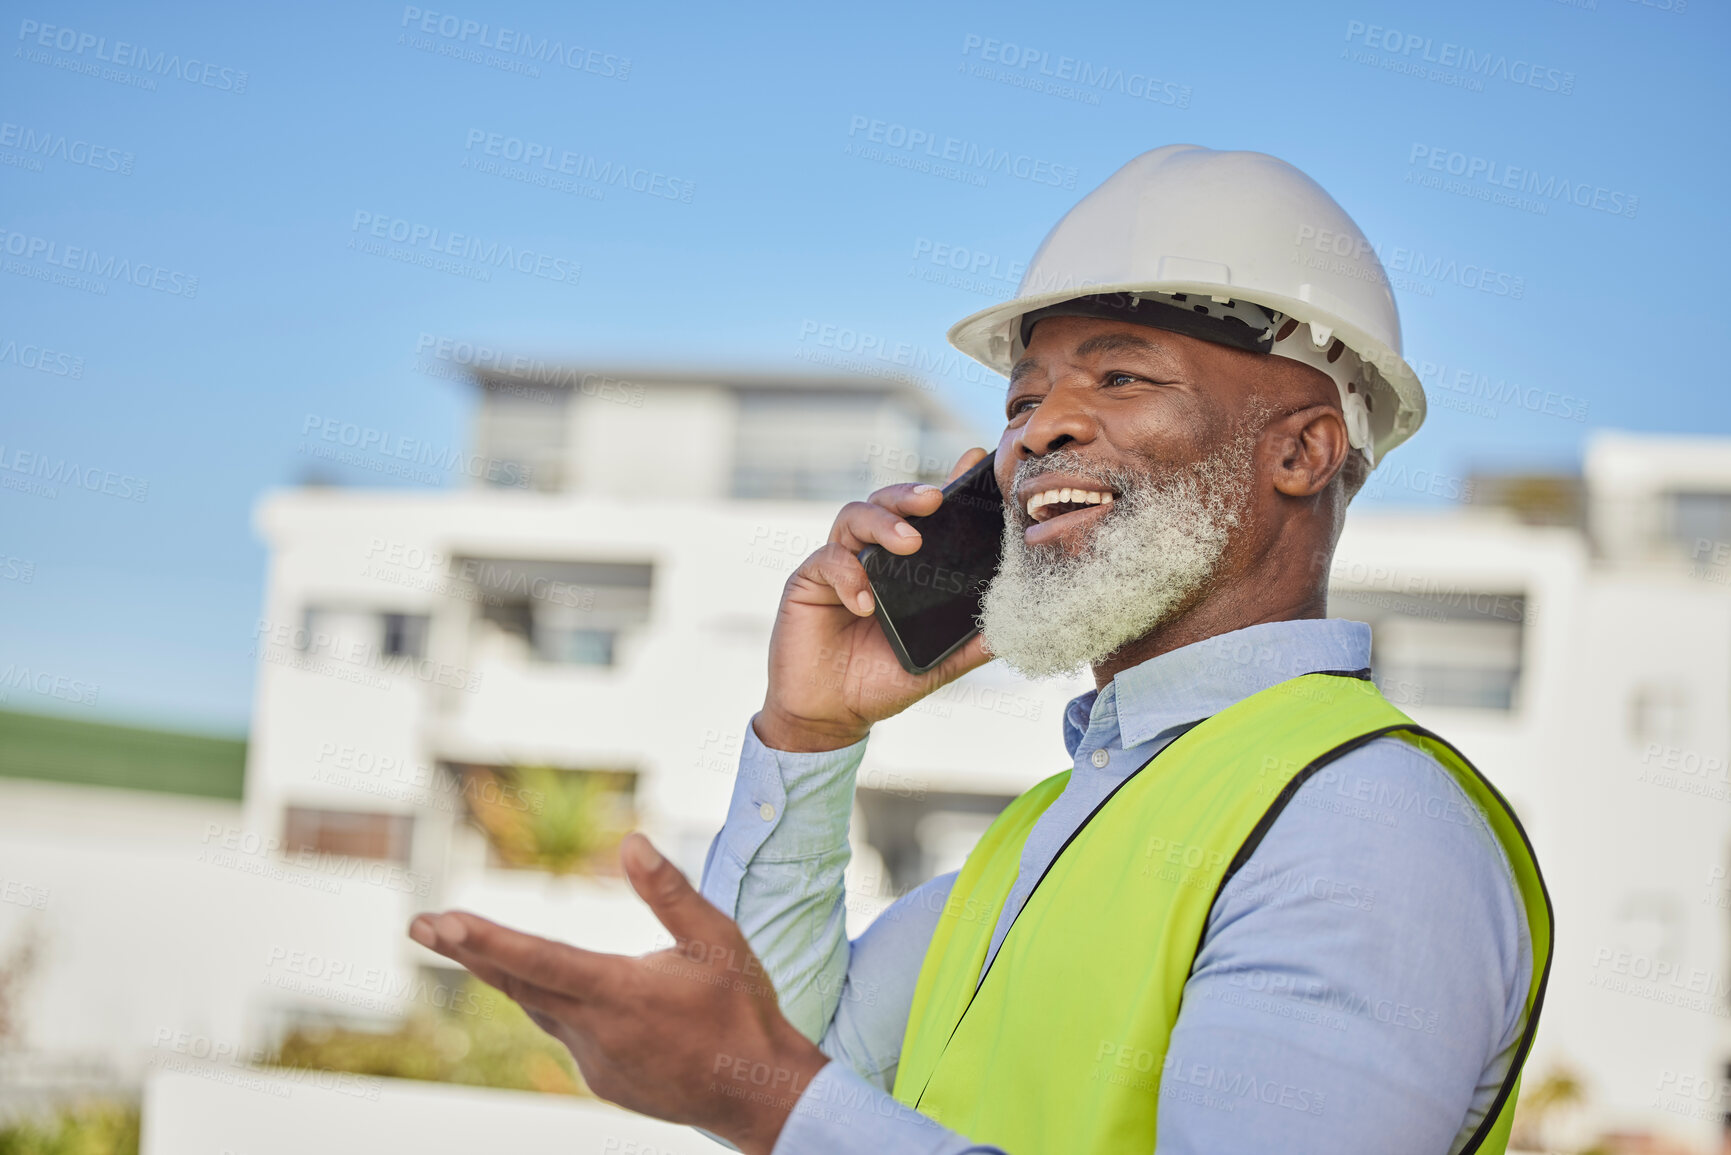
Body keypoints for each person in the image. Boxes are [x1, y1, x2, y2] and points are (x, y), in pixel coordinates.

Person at [409, 144, 1552, 1155]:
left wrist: (774, 1107)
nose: (1037, 429)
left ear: (1301, 452)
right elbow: (778, 1060)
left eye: (1120, 376)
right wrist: (809, 736)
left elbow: (785, 1104)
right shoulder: (1043, 840)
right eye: (1024, 399)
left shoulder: (1361, 826)